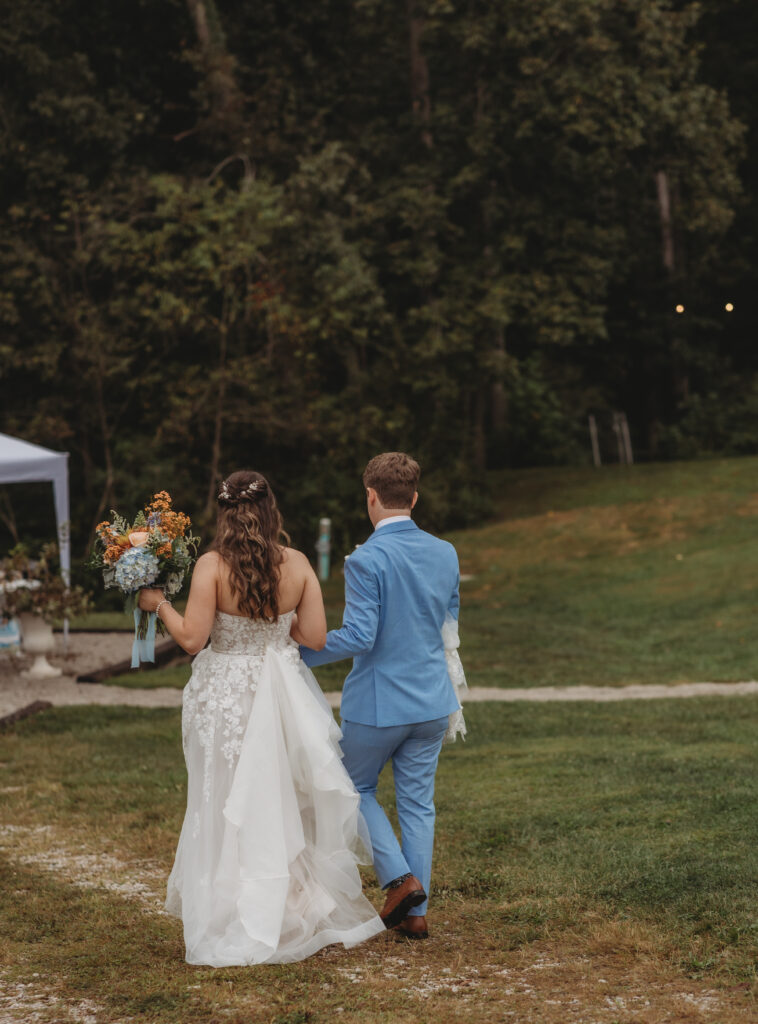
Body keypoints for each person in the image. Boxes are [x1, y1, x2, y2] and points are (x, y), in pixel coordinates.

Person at [138, 470, 384, 966]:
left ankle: (232, 909)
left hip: (226, 695)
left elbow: (192, 639)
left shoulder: (212, 565)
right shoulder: (298, 564)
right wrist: (275, 623)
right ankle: (289, 906)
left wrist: (158, 603)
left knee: (225, 797)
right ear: (272, 509)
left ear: (224, 513)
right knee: (280, 798)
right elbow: (315, 637)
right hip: (282, 693)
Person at [300, 452, 461, 940]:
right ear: (415, 498)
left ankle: (400, 881)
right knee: (418, 805)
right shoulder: (446, 552)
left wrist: (297, 653)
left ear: (370, 497)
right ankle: (416, 913)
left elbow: (359, 636)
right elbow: (448, 626)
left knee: (353, 788)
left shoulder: (366, 559)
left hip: (380, 705)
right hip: (434, 702)